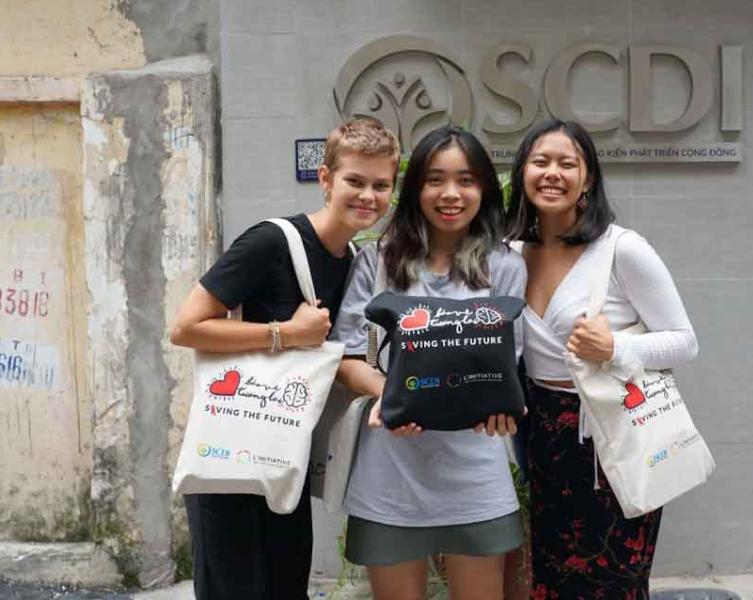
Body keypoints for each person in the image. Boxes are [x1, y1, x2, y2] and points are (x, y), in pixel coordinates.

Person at [168, 118, 400, 600]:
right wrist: (285, 333)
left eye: (381, 185)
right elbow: (186, 327)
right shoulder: (271, 242)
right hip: (230, 453)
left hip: (286, 449)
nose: (368, 196)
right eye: (355, 181)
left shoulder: (358, 261)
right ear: (325, 179)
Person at [506, 119, 699, 600]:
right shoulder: (509, 254)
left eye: (567, 163)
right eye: (540, 161)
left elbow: (684, 341)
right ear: (522, 172)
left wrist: (616, 348)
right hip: (545, 440)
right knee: (550, 578)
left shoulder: (621, 249)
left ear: (588, 178)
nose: (552, 173)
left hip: (613, 436)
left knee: (614, 582)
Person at [332, 125, 526, 600]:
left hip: (475, 469)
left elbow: (507, 361)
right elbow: (348, 357)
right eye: (435, 179)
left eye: (466, 180)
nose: (451, 194)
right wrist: (390, 395)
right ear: (415, 187)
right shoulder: (377, 261)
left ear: (483, 187)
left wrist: (501, 407)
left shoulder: (503, 266)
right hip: (391, 470)